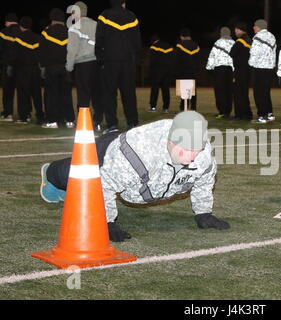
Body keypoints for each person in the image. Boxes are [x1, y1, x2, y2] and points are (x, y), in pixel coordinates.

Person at [40, 111, 230, 241]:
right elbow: (105, 185)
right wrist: (106, 222)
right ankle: (51, 171)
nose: (191, 157)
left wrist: (203, 213)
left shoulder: (202, 153)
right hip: (109, 150)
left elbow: (205, 180)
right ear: (170, 143)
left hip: (136, 162)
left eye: (196, 150)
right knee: (82, 174)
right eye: (186, 151)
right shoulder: (137, 154)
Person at [96, 0, 142, 133]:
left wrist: (101, 60)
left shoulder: (104, 16)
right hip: (127, 61)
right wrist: (134, 59)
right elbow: (137, 41)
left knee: (109, 94)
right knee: (129, 93)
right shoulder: (131, 16)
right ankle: (132, 123)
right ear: (123, 2)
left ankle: (112, 125)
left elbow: (99, 39)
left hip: (110, 61)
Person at [66, 1, 104, 132]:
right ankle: (97, 122)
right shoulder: (97, 25)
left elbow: (72, 49)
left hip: (83, 65)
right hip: (97, 64)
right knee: (97, 95)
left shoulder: (74, 27)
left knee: (83, 96)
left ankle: (83, 124)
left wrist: (69, 67)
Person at [39, 8, 75, 129]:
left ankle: (52, 121)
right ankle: (69, 120)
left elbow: (42, 51)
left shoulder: (46, 32)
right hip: (66, 68)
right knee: (66, 94)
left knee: (51, 95)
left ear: (52, 19)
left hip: (51, 67)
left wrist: (42, 66)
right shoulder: (70, 31)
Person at [9, 16, 45, 124]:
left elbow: (14, 55)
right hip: (35, 69)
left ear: (21, 26)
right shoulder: (37, 38)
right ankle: (40, 116)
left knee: (23, 93)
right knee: (36, 93)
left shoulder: (18, 38)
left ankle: (24, 116)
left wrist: (10, 65)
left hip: (22, 69)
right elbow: (41, 54)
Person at [248, 19, 276, 124]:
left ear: (259, 27)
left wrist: (250, 63)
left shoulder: (258, 37)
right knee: (266, 92)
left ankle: (262, 116)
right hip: (269, 68)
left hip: (259, 67)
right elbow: (273, 52)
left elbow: (254, 52)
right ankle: (269, 113)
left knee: (259, 93)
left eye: (255, 26)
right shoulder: (272, 36)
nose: (253, 27)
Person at [206, 26, 235, 119]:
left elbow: (212, 56)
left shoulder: (218, 42)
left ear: (221, 33)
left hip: (219, 69)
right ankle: (228, 111)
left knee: (220, 91)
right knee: (229, 91)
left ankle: (222, 111)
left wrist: (209, 68)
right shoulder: (234, 43)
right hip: (230, 70)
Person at [229, 22, 252, 121]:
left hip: (239, 70)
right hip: (248, 70)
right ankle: (247, 113)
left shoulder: (240, 41)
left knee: (238, 92)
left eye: (236, 30)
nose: (235, 32)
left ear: (240, 30)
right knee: (244, 92)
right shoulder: (250, 40)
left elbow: (232, 53)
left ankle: (239, 115)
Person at [174, 28, 200, 111]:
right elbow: (198, 59)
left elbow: (176, 59)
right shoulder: (196, 46)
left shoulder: (180, 45)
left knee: (184, 89)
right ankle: (193, 107)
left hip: (183, 71)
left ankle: (183, 107)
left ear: (181, 36)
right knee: (193, 89)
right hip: (193, 71)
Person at [0, 13, 20, 122]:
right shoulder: (23, 31)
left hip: (7, 65)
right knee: (23, 91)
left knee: (8, 91)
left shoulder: (4, 32)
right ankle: (25, 114)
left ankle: (8, 114)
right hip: (23, 67)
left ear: (8, 21)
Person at [147, 34, 173, 113]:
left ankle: (153, 107)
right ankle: (165, 108)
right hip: (167, 71)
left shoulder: (154, 47)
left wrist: (150, 71)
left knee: (155, 89)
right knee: (165, 89)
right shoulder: (169, 46)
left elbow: (152, 60)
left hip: (157, 71)